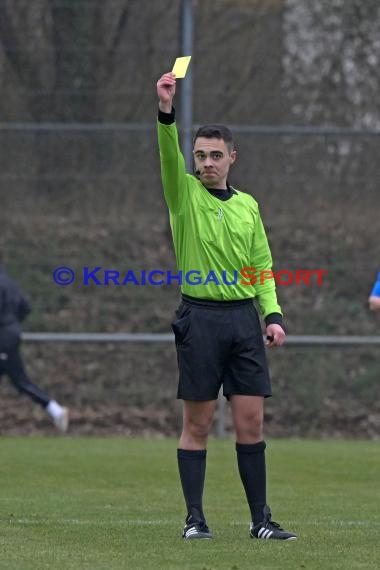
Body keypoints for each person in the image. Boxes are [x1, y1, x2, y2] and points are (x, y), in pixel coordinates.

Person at [156, 72, 297, 541]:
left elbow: (262, 265)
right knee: (196, 423)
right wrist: (166, 112)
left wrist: (272, 315)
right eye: (200, 155)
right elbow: (166, 155)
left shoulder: (249, 206)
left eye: (216, 155)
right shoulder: (184, 196)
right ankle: (194, 519)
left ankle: (261, 520)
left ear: (232, 157)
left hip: (243, 321)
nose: (207, 163)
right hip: (200, 319)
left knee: (251, 422)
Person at [0, 259, 69, 433]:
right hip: (9, 335)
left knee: (20, 381)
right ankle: (55, 410)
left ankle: (56, 410)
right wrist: (14, 325)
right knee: (20, 381)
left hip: (3, 338)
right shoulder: (10, 282)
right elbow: (26, 307)